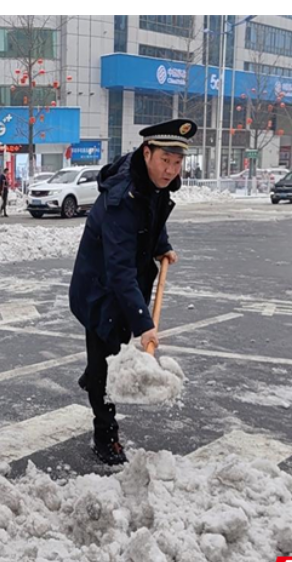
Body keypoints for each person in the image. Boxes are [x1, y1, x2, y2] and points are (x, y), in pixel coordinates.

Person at [69, 119, 195, 465]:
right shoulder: (123, 198)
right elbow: (119, 269)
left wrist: (162, 245)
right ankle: (105, 437)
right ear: (146, 152)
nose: (170, 170)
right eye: (164, 161)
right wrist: (144, 325)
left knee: (112, 348)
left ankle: (95, 371)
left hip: (125, 282)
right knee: (106, 363)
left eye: (177, 162)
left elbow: (153, 218)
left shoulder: (151, 182)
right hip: (100, 289)